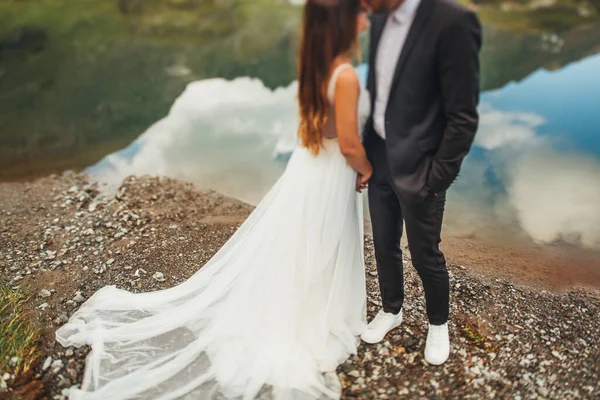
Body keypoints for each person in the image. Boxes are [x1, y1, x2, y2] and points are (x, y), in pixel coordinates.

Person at [56, 1, 372, 399]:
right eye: (360, 9)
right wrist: (367, 167)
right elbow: (347, 144)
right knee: (322, 238)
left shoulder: (316, 64)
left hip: (307, 167)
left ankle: (299, 300)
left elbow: (318, 127)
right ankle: (309, 313)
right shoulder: (344, 76)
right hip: (329, 173)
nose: (367, 15)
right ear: (343, 21)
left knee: (301, 236)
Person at [359, 0, 481, 366]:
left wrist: (436, 179)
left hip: (422, 169)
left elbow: (462, 117)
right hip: (378, 157)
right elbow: (377, 90)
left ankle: (437, 323)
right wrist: (364, 154)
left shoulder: (454, 21)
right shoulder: (379, 16)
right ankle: (391, 309)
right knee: (383, 243)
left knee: (425, 255)